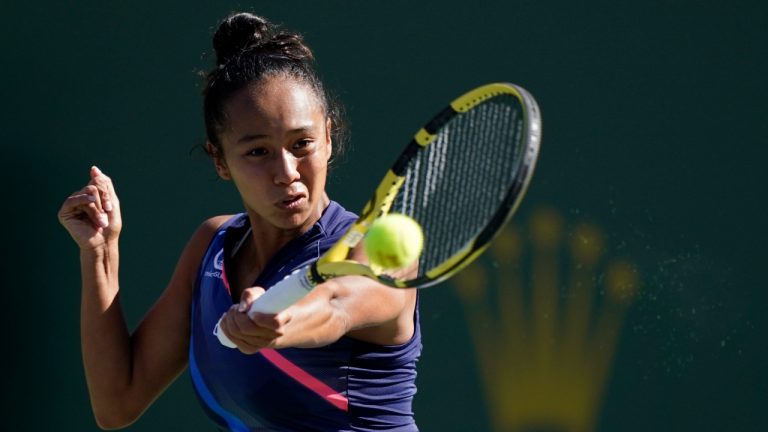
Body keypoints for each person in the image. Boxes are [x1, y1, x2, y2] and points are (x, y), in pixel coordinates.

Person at [58, 12, 421, 432]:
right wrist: (100, 253)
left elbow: (337, 305)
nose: (286, 171)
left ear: (328, 137)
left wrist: (278, 323)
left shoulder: (376, 249)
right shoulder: (212, 246)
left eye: (301, 144)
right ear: (220, 160)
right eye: (257, 152)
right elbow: (118, 402)